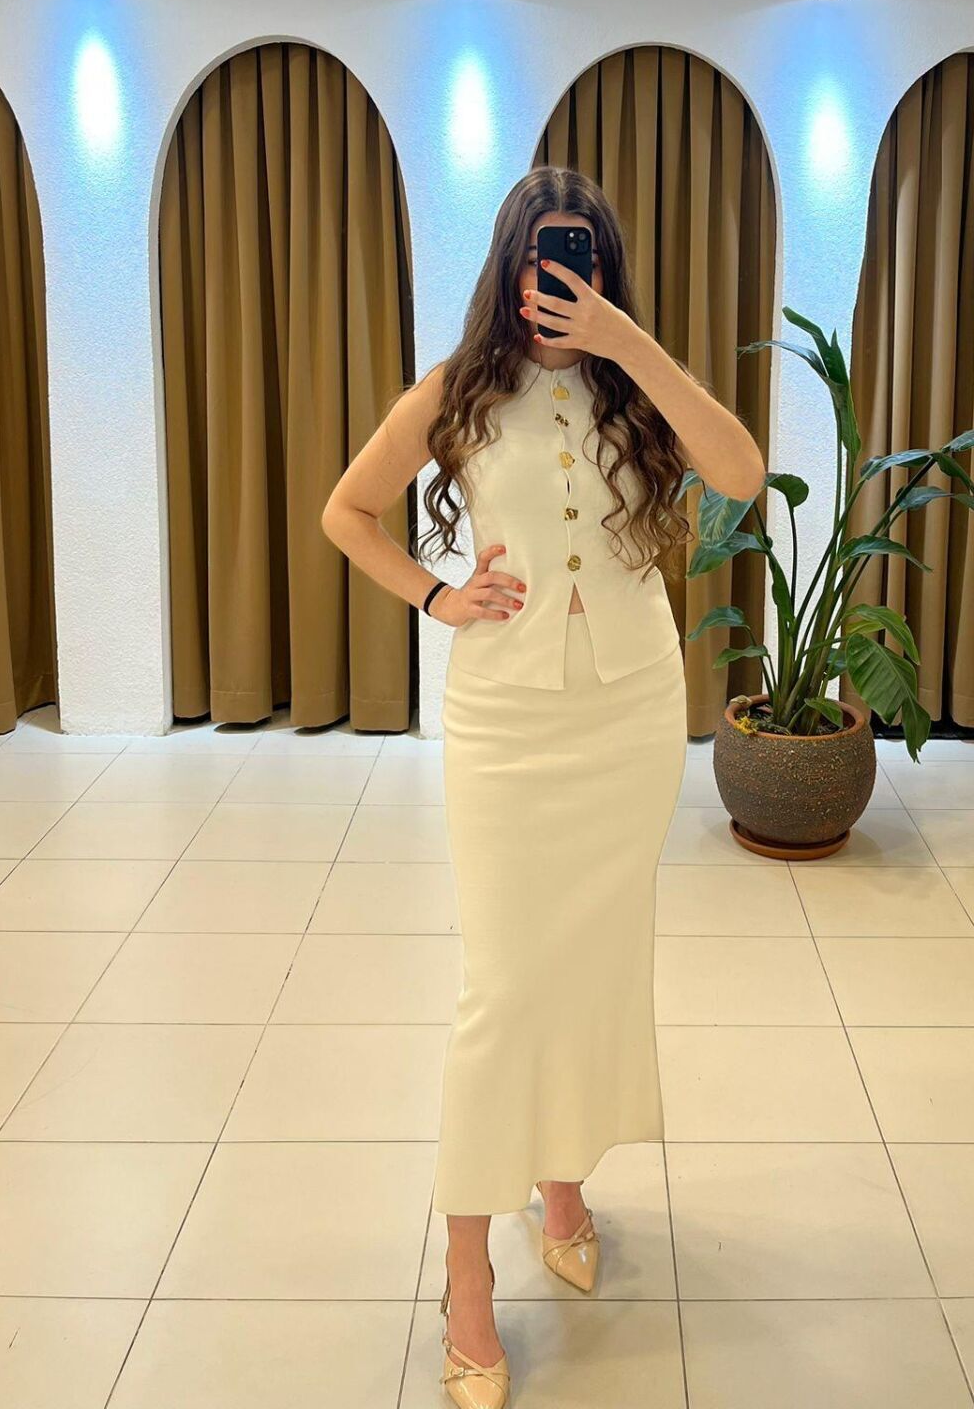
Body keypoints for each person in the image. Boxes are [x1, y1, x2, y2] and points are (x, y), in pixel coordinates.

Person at [321, 168, 766, 1406]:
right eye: (534, 254)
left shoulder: (636, 388)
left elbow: (739, 472)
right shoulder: (457, 392)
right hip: (508, 722)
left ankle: (561, 1184)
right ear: (506, 266)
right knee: (506, 987)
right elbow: (348, 512)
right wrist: (438, 595)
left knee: (593, 965)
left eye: (576, 256)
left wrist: (631, 344)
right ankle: (465, 1265)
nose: (552, 277)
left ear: (603, 268)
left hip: (630, 716)